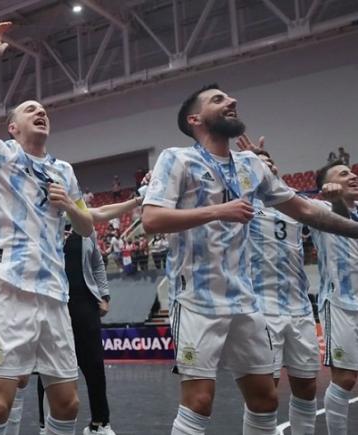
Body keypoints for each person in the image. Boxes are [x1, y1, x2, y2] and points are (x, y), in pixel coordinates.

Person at [142, 82, 358, 435]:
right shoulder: (177, 158)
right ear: (195, 119)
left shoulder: (250, 167)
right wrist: (218, 211)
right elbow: (151, 220)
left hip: (245, 301)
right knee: (199, 400)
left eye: (229, 97)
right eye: (218, 99)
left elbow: (304, 209)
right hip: (197, 299)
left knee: (265, 400)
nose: (231, 101)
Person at [0, 21, 94, 435]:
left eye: (43, 109)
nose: (40, 111)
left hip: (54, 294)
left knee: (67, 404)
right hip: (11, 287)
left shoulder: (63, 170)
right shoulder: (3, 156)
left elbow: (85, 228)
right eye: (30, 110)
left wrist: (69, 206)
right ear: (12, 128)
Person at [235, 135, 321, 435]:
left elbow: (334, 212)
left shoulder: (298, 202)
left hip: (299, 306)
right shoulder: (240, 203)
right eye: (258, 164)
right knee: (264, 395)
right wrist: (246, 165)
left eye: (269, 162)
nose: (265, 166)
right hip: (260, 309)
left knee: (307, 385)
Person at [38, 225, 114, 435]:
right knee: (48, 368)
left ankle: (100, 424)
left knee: (95, 366)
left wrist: (104, 296)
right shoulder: (43, 221)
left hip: (85, 305)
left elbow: (97, 263)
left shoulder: (84, 226)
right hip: (53, 304)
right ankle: (46, 426)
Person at [310, 160, 358, 435]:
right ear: (327, 186)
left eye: (352, 171)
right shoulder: (319, 209)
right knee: (345, 380)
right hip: (341, 304)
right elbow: (341, 220)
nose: (352, 176)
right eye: (343, 174)